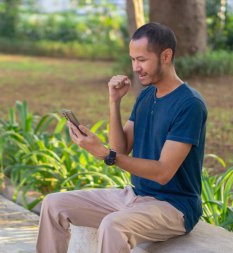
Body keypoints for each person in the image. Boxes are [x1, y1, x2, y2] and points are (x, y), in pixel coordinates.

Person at [36, 22, 208, 253]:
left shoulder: (189, 105)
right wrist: (114, 101)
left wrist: (105, 154)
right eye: (133, 59)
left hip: (174, 207)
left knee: (113, 225)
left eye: (142, 59)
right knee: (53, 204)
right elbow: (121, 148)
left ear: (166, 56)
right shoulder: (147, 95)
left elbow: (163, 172)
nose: (135, 67)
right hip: (135, 195)